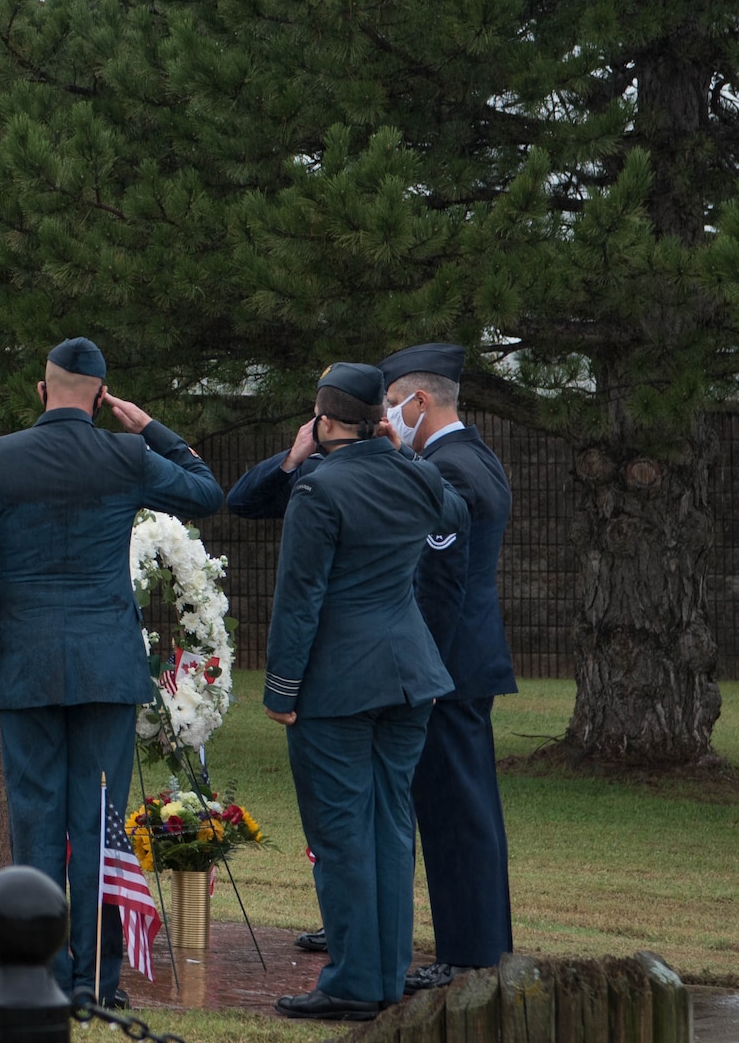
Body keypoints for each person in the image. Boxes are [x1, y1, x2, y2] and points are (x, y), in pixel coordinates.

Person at [0, 338, 222, 1007]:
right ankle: (97, 979)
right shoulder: (125, 453)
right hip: (104, 665)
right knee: (98, 821)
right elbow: (208, 491)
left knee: (34, 820)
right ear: (101, 397)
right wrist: (148, 426)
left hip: (27, 664)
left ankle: (33, 973)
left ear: (42, 391)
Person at [258, 363, 466, 1022]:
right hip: (409, 674)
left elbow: (300, 598)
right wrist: (400, 453)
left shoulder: (318, 490)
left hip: (337, 682)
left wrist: (281, 687)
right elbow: (456, 511)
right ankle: (383, 973)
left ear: (322, 422)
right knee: (392, 826)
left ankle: (353, 978)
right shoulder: (419, 474)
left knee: (343, 830)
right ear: (380, 416)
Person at [378, 343, 516, 990]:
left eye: (391, 401)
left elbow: (441, 580)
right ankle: (483, 945)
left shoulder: (449, 472)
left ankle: (465, 955)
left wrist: (425, 670)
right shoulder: (476, 455)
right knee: (470, 810)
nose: (388, 415)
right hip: (471, 658)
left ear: (419, 400)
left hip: (450, 664)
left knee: (454, 814)